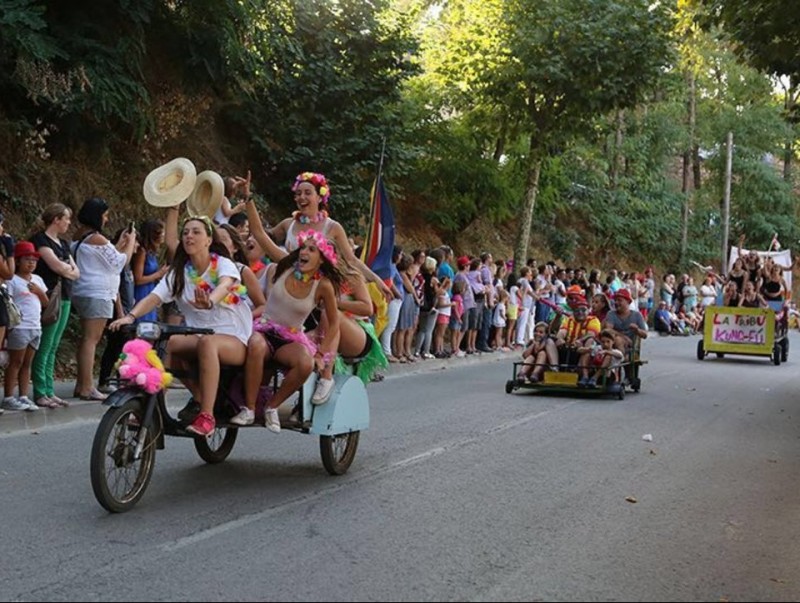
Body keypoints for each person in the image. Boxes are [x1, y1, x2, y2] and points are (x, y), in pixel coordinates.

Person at [110, 215, 253, 436]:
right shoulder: (179, 272)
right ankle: (151, 402)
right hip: (196, 335)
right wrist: (130, 317)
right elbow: (154, 297)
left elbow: (225, 285)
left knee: (207, 343)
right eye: (186, 232)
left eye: (196, 232)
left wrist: (211, 301)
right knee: (161, 342)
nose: (189, 236)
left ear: (208, 240)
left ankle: (207, 416)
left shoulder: (224, 264)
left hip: (233, 338)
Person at [232, 229, 341, 431]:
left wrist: (320, 354)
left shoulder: (323, 285)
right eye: (303, 248)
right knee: (255, 345)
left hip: (290, 337)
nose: (304, 252)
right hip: (265, 329)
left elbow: (334, 324)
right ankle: (249, 409)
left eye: (311, 249)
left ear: (321, 259)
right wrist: (248, 200)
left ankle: (272, 407)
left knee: (306, 363)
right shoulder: (286, 265)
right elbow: (263, 237)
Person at [250, 170, 391, 299]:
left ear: (319, 197)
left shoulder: (333, 227)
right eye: (298, 194)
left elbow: (352, 260)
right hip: (288, 284)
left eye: (307, 193)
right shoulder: (288, 224)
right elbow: (262, 237)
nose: (301, 197)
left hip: (318, 293)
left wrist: (376, 279)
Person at [71, 198, 136, 401]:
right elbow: (119, 262)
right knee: (92, 340)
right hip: (97, 292)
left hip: (83, 290)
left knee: (86, 339)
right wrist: (131, 241)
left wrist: (120, 244)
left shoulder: (80, 235)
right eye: (105, 215)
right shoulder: (97, 238)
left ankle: (82, 384)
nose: (107, 219)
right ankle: (87, 387)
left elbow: (105, 258)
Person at [29, 203, 79, 407]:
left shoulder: (64, 244)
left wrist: (67, 270)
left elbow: (76, 272)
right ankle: (40, 391)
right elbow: (56, 266)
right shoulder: (40, 240)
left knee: (54, 345)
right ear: (56, 219)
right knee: (45, 343)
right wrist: (67, 269)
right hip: (48, 298)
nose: (68, 222)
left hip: (65, 296)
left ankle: (49, 390)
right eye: (66, 218)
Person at [2, 242, 48, 411]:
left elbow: (46, 303)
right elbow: (8, 303)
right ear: (18, 261)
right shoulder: (12, 280)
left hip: (36, 326)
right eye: (27, 259)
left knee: (27, 363)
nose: (31, 263)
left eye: (34, 260)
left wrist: (39, 292)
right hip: (20, 326)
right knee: (16, 362)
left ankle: (23, 396)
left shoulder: (38, 280)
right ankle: (8, 396)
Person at [132, 219, 168, 322]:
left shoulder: (151, 252)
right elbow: (138, 279)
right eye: (162, 232)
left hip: (150, 289)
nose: (164, 235)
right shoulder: (142, 252)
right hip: (142, 292)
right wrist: (159, 274)